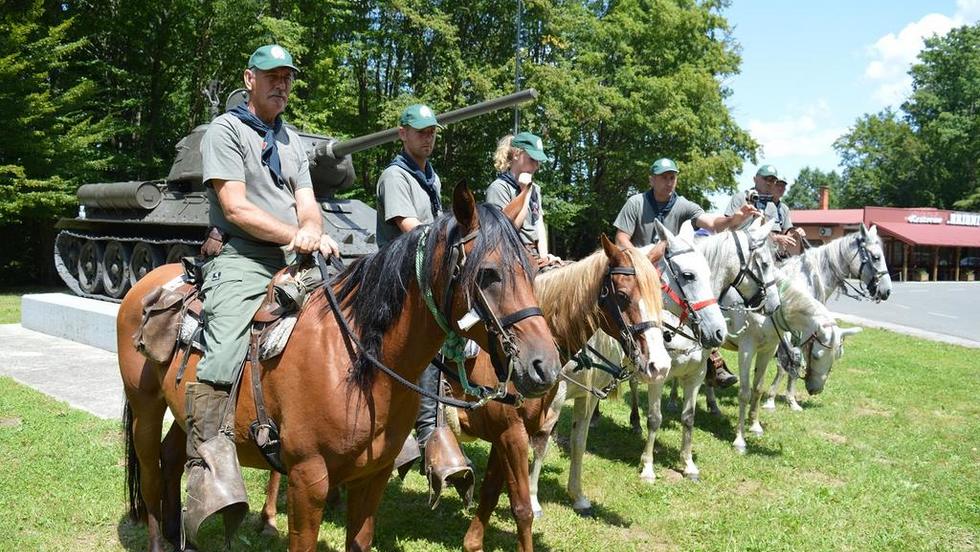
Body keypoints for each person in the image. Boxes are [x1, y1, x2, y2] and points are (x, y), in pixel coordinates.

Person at [187, 44, 340, 540]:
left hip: (291, 255)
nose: (281, 85)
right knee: (224, 344)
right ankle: (209, 463)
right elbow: (234, 207)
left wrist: (313, 231)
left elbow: (307, 203)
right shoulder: (225, 131)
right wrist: (291, 234)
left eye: (288, 78)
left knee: (354, 318)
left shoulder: (291, 140)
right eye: (272, 76)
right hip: (241, 256)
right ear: (249, 79)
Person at [378, 104, 471, 488]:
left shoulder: (429, 177)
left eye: (432, 131)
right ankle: (427, 433)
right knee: (426, 344)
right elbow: (410, 228)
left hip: (425, 279)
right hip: (399, 281)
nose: (427, 137)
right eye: (419, 131)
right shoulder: (396, 175)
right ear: (402, 133)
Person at [613, 157, 759, 388]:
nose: (669, 182)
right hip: (640, 271)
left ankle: (712, 358)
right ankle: (610, 359)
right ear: (651, 180)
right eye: (663, 177)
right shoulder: (636, 203)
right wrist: (643, 260)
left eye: (672, 177)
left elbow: (711, 223)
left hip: (672, 273)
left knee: (700, 303)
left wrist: (735, 219)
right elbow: (621, 238)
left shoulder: (682, 205)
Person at [484, 132, 560, 266]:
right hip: (511, 257)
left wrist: (545, 256)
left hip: (534, 254)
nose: (536, 166)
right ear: (516, 154)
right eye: (532, 159)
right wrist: (525, 192)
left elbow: (539, 223)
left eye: (538, 161)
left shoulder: (535, 189)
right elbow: (507, 232)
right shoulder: (499, 188)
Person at [724, 164, 800, 251]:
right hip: (737, 249)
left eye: (772, 180)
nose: (769, 183)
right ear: (755, 179)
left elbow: (773, 232)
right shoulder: (740, 198)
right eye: (765, 179)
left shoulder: (771, 206)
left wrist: (777, 237)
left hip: (762, 254)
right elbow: (726, 225)